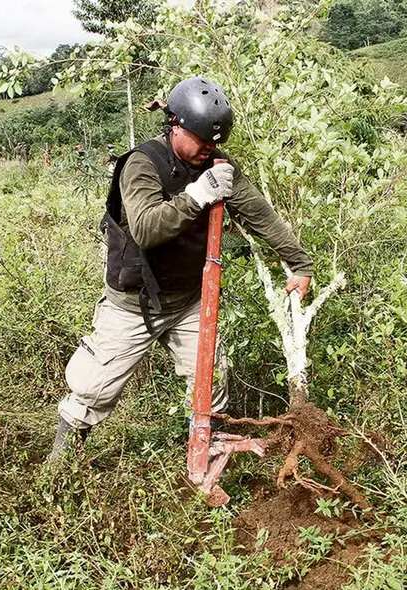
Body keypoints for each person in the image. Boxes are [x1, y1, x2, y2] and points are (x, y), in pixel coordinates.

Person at [51, 76, 313, 458]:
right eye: (202, 140)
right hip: (134, 303)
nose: (208, 150)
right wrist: (198, 194)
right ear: (174, 124)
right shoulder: (142, 164)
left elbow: (259, 215)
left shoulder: (217, 165)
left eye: (215, 144)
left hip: (190, 300)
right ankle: (59, 469)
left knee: (211, 385)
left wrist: (299, 262)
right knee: (94, 389)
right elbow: (145, 229)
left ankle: (205, 457)